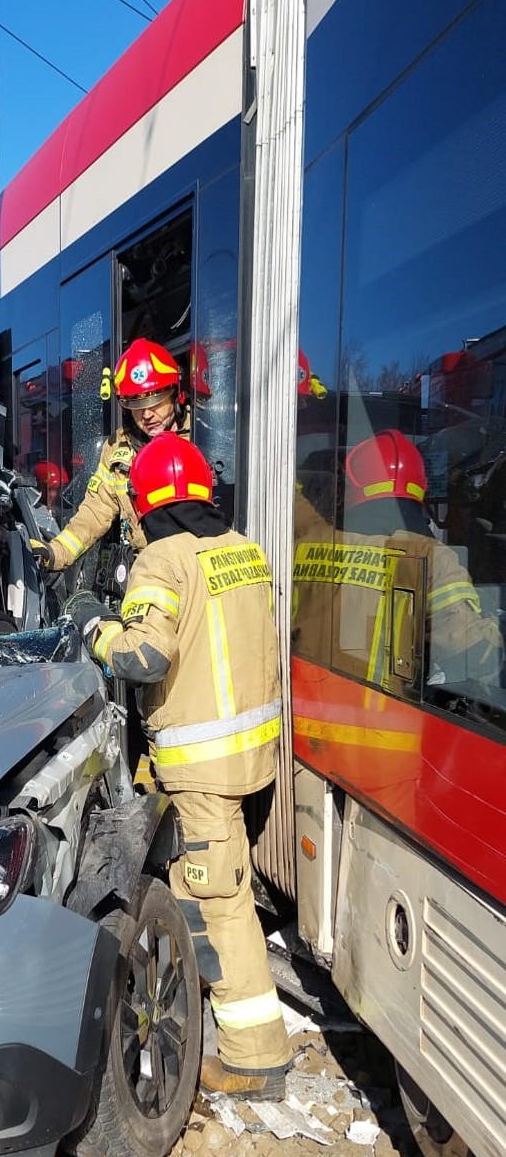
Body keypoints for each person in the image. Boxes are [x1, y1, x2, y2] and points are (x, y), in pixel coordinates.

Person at [72, 432, 292, 1100]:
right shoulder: (242, 548)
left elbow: (146, 660)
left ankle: (257, 1058)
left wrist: (92, 626)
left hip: (202, 769)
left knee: (220, 903)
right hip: (254, 758)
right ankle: (211, 996)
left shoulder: (162, 561)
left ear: (147, 501)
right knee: (214, 885)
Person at [292, 429, 502, 692]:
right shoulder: (432, 557)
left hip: (303, 709)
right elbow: (473, 657)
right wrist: (492, 623)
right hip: (383, 722)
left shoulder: (306, 543)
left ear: (350, 488)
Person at [33, 338, 190, 573]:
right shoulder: (117, 448)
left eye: (155, 399)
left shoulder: (203, 437)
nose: (146, 414)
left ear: (174, 394)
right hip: (147, 569)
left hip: (192, 567)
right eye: (135, 403)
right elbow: (95, 512)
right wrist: (55, 552)